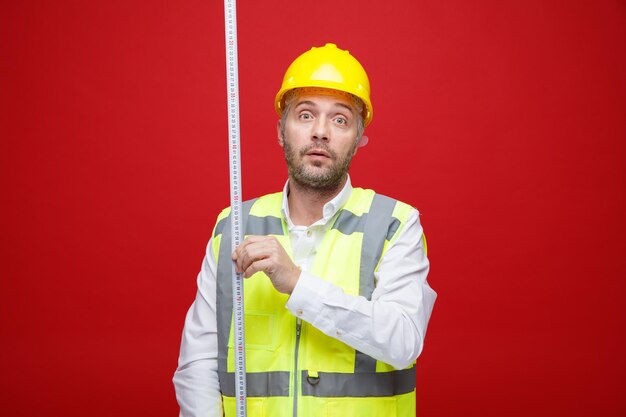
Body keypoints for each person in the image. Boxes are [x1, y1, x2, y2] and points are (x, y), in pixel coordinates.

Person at [173, 43, 436, 417]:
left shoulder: (395, 224)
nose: (321, 133)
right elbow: (198, 364)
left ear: (360, 138)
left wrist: (298, 284)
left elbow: (403, 341)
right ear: (282, 131)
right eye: (305, 115)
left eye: (340, 119)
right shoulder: (232, 227)